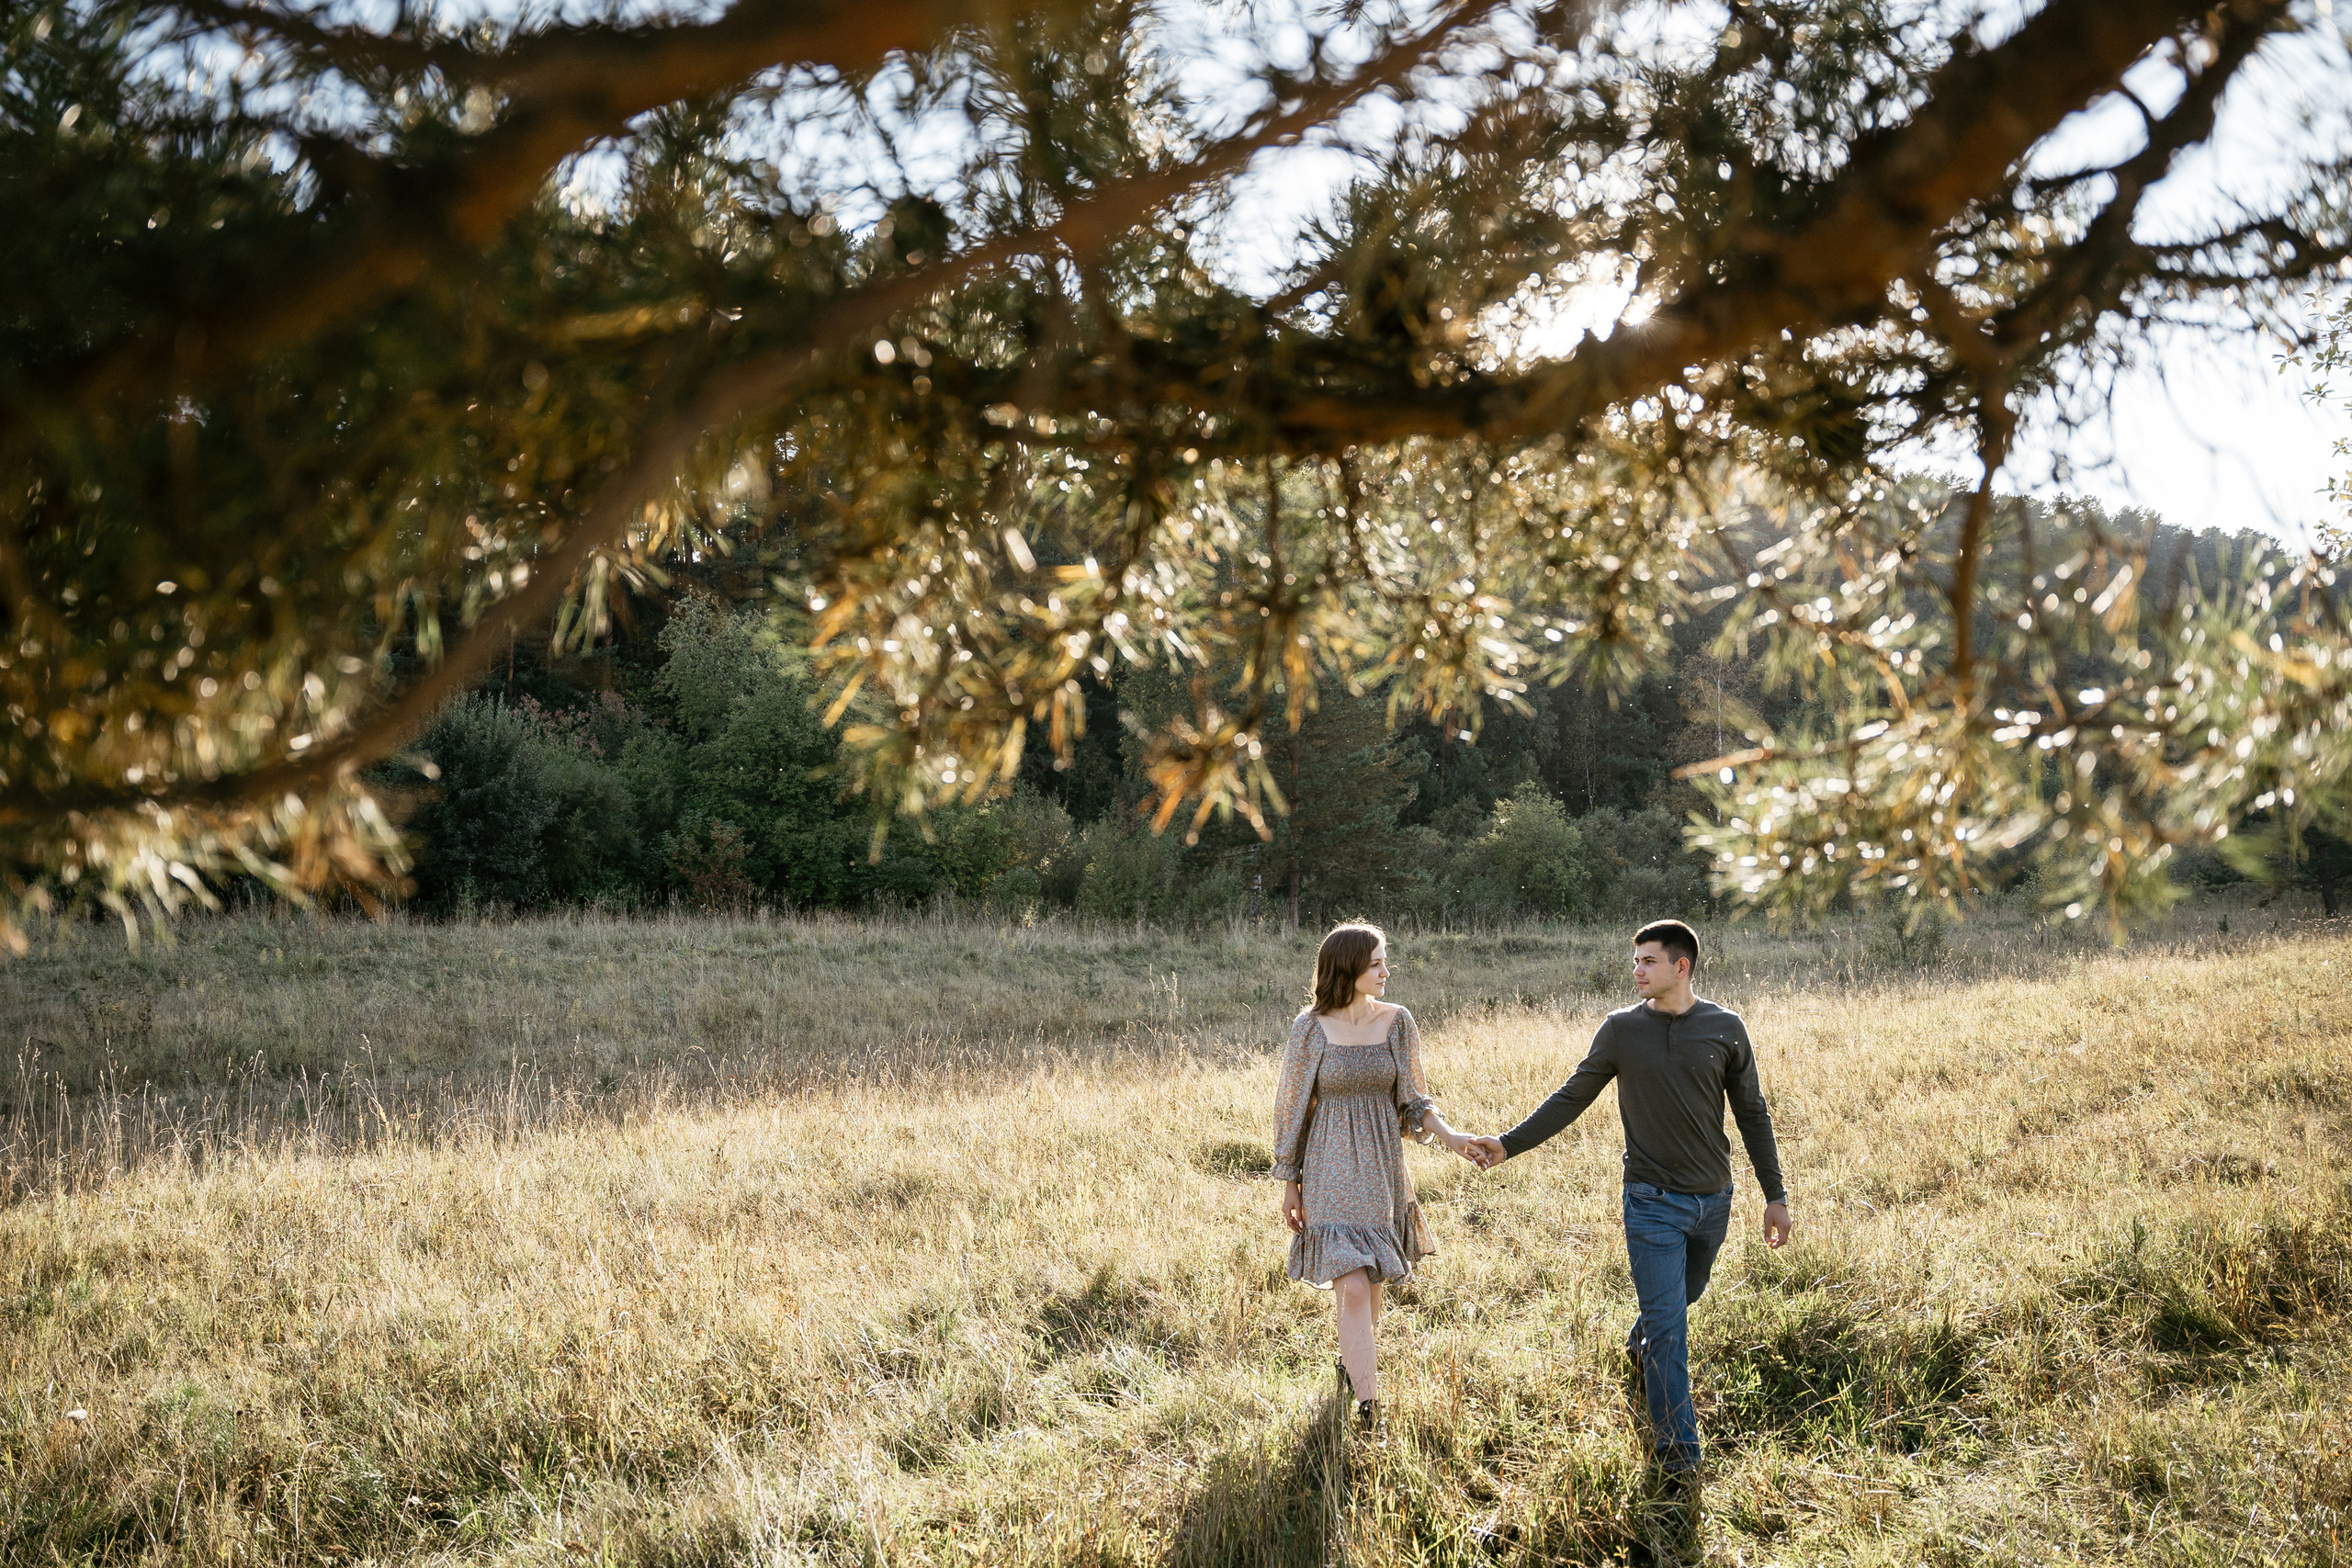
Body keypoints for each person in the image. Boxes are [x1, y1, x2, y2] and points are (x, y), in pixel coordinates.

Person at [1465, 919, 1792, 1478]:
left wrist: (1775, 1195)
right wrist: (1507, 1144)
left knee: (1679, 1302)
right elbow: (1572, 1096)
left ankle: (1640, 1342)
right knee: (1671, 1329)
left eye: (1647, 961)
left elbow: (1752, 1113)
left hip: (1713, 1200)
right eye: (1635, 960)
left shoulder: (1726, 1028)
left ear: (1680, 966)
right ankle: (1677, 1456)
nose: (1636, 970)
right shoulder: (1620, 1030)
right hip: (1649, 1201)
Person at [1271, 921, 1484, 1433]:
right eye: (1376, 964)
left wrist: (1452, 1138)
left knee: (1373, 1282)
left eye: (1386, 961)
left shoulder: (1398, 1022)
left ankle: (1353, 1371)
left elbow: (1415, 1098)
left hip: (1383, 1168)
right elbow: (1292, 1107)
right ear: (1348, 969)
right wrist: (1290, 1181)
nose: (1386, 971)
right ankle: (1370, 1410)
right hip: (1328, 1168)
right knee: (1354, 1289)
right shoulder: (1310, 1028)